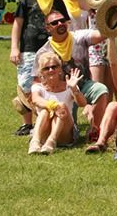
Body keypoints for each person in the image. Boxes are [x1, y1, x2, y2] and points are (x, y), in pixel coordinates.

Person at [34, 10, 110, 143]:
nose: (60, 24)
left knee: (101, 90)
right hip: (61, 92)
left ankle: (95, 130)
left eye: (63, 20)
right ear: (48, 28)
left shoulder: (78, 36)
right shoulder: (43, 52)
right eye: (54, 22)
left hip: (83, 85)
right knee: (68, 127)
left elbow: (100, 35)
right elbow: (37, 82)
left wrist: (113, 24)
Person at [10, 0, 68, 135]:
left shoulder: (57, 1)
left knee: (47, 84)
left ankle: (41, 123)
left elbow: (65, 25)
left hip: (51, 49)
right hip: (29, 49)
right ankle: (30, 123)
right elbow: (18, 24)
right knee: (26, 84)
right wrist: (14, 47)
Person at [28, 54, 86, 154]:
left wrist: (74, 89)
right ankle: (35, 142)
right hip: (44, 131)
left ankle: (51, 142)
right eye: (46, 68)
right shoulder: (38, 87)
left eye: (54, 66)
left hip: (66, 133)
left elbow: (82, 103)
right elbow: (36, 100)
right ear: (41, 72)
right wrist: (53, 106)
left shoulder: (69, 86)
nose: (51, 70)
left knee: (62, 105)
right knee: (45, 110)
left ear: (60, 69)